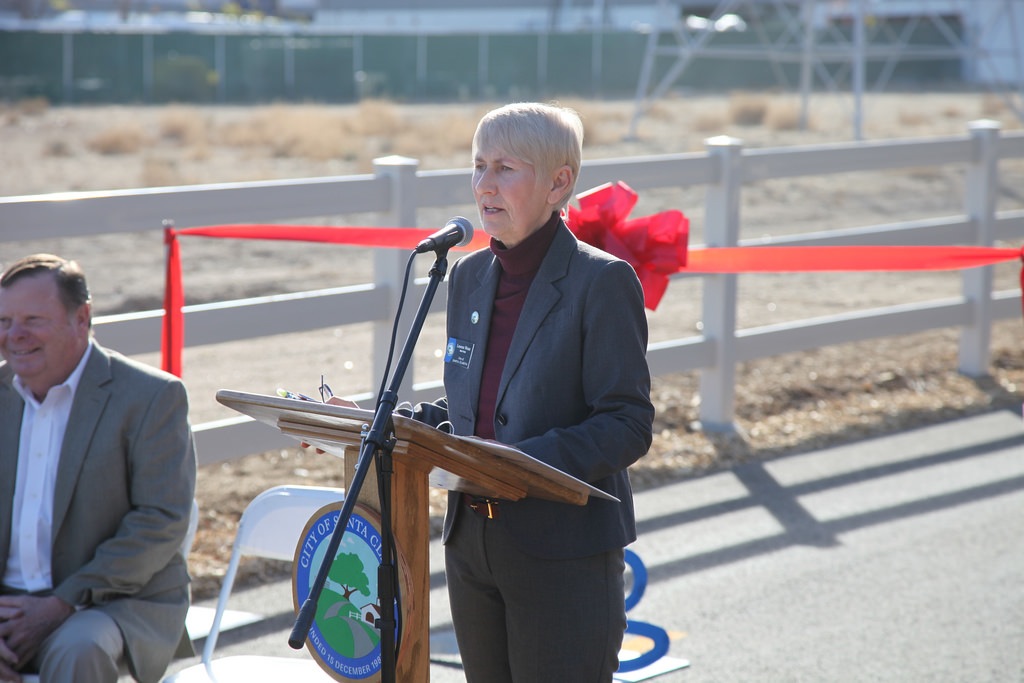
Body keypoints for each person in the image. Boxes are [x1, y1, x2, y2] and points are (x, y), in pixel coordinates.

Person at [412, 101, 655, 681]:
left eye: (505, 168)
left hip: (562, 552)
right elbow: (478, 408)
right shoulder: (467, 275)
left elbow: (627, 422)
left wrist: (519, 464)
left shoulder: (603, 281)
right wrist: (380, 421)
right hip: (471, 546)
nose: (484, 184)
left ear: (558, 183)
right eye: (478, 166)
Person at [0, 254, 197, 683]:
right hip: (7, 602)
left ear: (82, 318)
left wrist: (61, 603)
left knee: (79, 650)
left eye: (33, 319)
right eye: (4, 321)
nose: (15, 335)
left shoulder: (150, 397)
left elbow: (161, 520)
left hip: (109, 602)